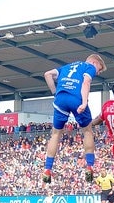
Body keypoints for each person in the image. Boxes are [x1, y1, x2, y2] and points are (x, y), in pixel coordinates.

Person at [42, 54, 107, 185]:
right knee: (87, 131)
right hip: (76, 99)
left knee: (55, 134)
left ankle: (47, 169)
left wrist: (55, 92)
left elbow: (47, 74)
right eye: (99, 69)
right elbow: (86, 82)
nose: (98, 72)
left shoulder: (67, 67)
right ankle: (89, 167)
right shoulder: (89, 66)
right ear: (94, 62)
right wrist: (84, 102)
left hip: (60, 99)